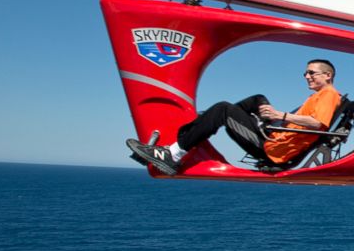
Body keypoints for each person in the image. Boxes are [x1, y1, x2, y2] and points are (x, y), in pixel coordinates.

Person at [126, 58, 342, 175]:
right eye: (305, 73)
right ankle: (207, 121)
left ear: (327, 75)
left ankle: (173, 154)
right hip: (276, 135)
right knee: (258, 98)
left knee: (222, 109)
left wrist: (280, 114)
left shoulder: (329, 95)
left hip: (272, 149)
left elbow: (318, 124)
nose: (306, 76)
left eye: (311, 73)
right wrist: (276, 118)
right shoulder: (320, 96)